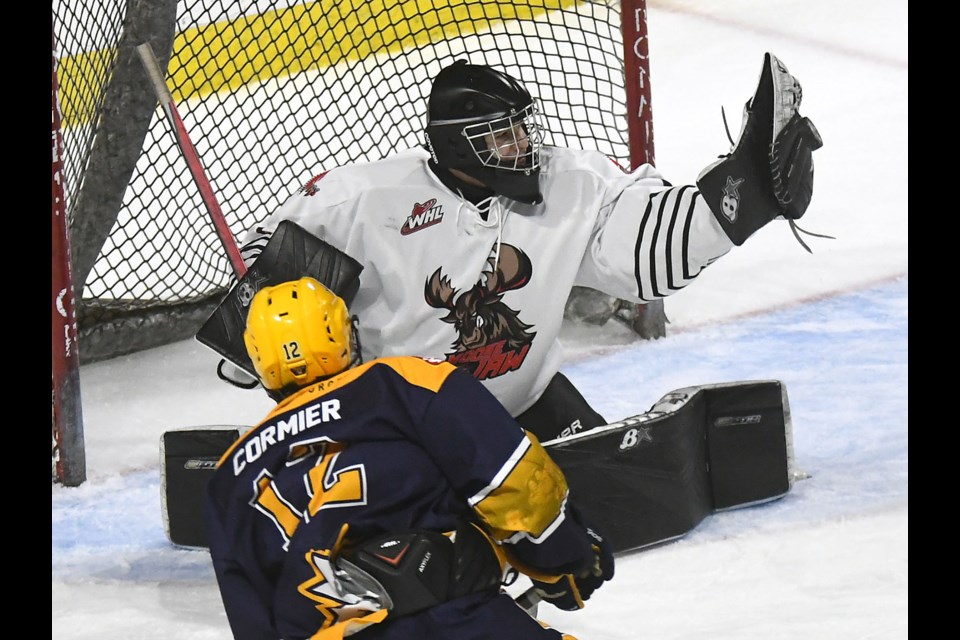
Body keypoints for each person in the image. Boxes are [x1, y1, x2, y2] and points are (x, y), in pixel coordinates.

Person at [237, 53, 822, 443]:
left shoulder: (571, 183)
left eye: (522, 127)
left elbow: (650, 252)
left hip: (528, 404)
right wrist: (280, 320)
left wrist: (744, 194)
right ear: (456, 146)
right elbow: (263, 292)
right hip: (402, 426)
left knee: (602, 506)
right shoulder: (361, 201)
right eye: (501, 134)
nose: (522, 145)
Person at [204, 277, 615, 640]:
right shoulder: (404, 381)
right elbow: (512, 481)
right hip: (456, 619)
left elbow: (251, 614)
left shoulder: (228, 478)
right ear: (345, 334)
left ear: (260, 362)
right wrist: (568, 556)